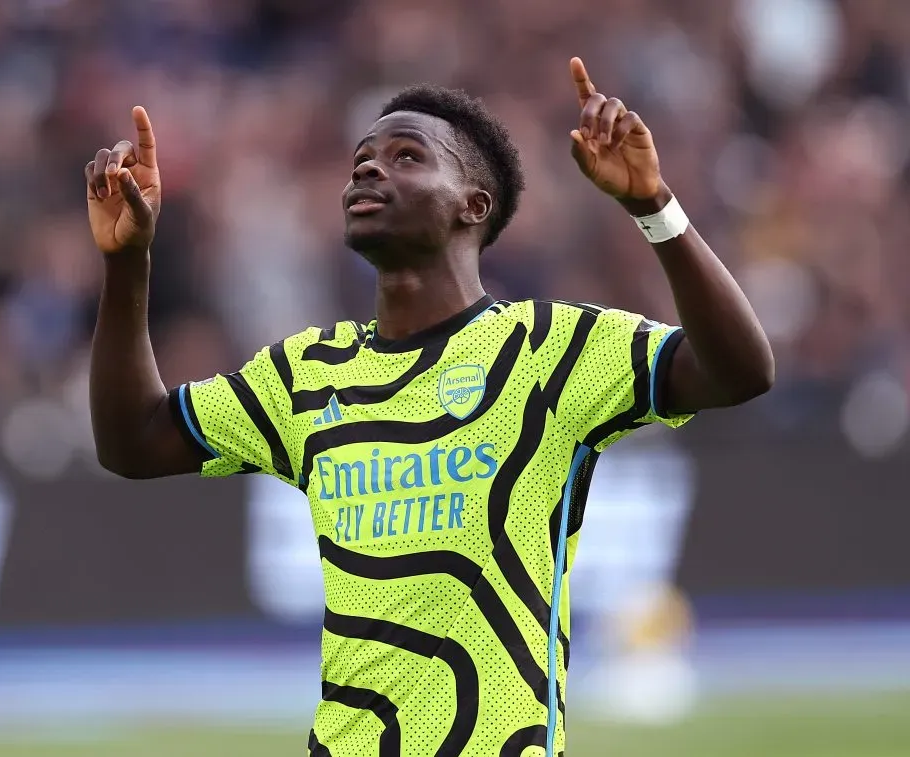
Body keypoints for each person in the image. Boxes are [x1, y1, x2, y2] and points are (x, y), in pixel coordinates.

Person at [86, 58, 773, 757]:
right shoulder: (305, 375)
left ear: (472, 205)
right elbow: (133, 441)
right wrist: (127, 261)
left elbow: (740, 371)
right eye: (360, 160)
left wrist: (654, 207)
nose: (368, 169)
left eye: (406, 156)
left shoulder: (550, 351)